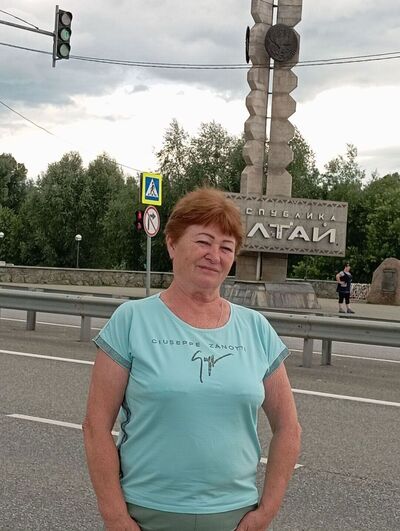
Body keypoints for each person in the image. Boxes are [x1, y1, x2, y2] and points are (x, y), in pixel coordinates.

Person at [83, 187, 302, 531]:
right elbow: (96, 426)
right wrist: (115, 517)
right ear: (172, 243)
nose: (214, 255)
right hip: (146, 515)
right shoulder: (131, 321)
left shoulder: (256, 328)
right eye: (203, 242)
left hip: (234, 517)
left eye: (226, 247)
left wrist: (266, 512)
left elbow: (289, 428)